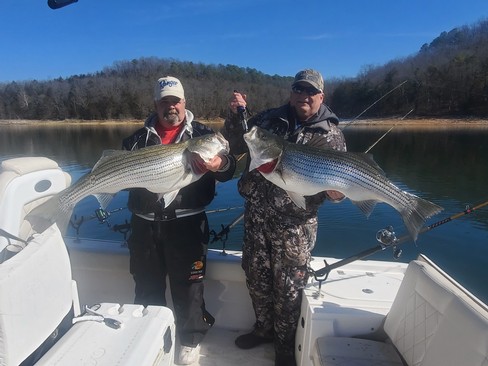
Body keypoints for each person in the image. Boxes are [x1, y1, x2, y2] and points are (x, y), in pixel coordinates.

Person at [223, 69, 347, 366]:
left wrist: (338, 193)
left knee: (289, 289)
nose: (303, 96)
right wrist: (234, 116)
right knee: (256, 279)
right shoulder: (267, 120)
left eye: (310, 92)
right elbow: (237, 143)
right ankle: (264, 330)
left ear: (321, 96)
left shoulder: (331, 135)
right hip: (255, 218)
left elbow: (339, 191)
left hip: (295, 227)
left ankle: (284, 346)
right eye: (298, 89)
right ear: (291, 92)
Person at [122, 76, 236, 365]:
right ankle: (149, 340)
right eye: (164, 102)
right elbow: (122, 178)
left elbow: (229, 167)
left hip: (187, 226)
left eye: (175, 101)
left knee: (189, 289)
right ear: (156, 105)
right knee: (146, 287)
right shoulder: (136, 139)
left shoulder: (203, 135)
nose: (170, 107)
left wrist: (219, 163)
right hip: (144, 225)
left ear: (185, 102)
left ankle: (190, 341)